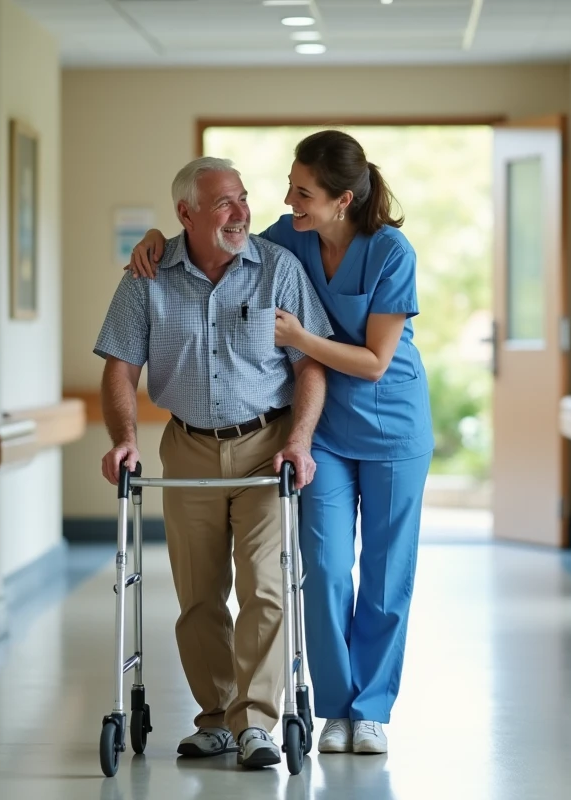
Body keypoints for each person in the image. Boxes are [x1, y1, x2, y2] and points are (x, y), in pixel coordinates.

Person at [127, 131, 434, 756]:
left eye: (302, 191)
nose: (287, 199)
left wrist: (299, 337)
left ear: (342, 200)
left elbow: (374, 363)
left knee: (384, 572)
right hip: (316, 430)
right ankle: (335, 707)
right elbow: (219, 240)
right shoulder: (291, 236)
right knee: (318, 572)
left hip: (390, 424)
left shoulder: (390, 251)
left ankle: (371, 709)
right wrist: (157, 242)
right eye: (290, 187)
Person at [95, 156, 334, 769]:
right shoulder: (146, 276)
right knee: (198, 594)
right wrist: (124, 438)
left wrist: (300, 441)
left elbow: (311, 365)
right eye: (224, 202)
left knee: (266, 586)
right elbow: (120, 367)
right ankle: (218, 718)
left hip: (266, 445)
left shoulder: (277, 267)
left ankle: (256, 723)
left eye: (243, 198)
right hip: (188, 444)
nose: (241, 212)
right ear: (185, 214)